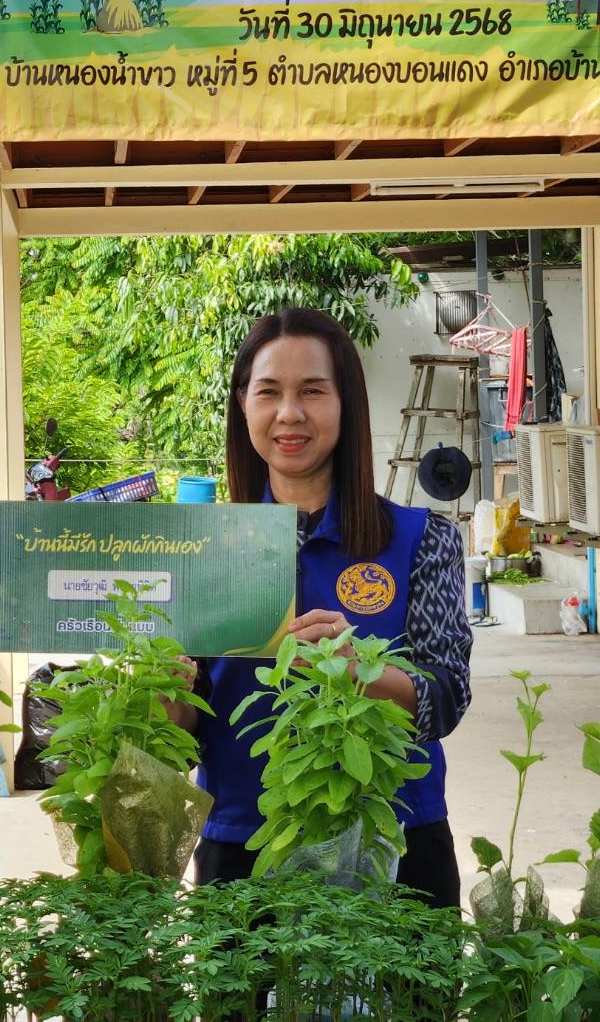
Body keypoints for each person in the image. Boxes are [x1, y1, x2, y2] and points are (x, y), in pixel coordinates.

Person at [171, 308, 472, 908]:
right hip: (242, 846)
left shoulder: (421, 539)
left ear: (347, 403)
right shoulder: (199, 548)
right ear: (243, 405)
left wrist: (357, 666)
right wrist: (166, 691)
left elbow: (445, 699)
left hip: (393, 844)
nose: (290, 413)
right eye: (269, 392)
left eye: (312, 390)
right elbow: (182, 736)